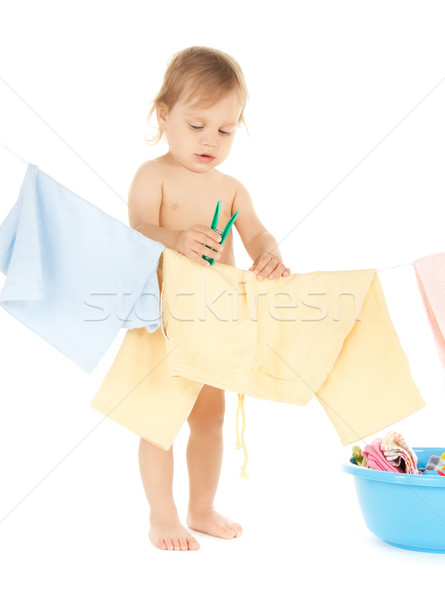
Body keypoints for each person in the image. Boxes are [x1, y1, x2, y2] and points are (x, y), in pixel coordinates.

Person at [127, 45, 291, 551]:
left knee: (210, 417)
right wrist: (173, 239)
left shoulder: (232, 189)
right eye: (197, 125)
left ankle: (202, 507)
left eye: (225, 130)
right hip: (164, 320)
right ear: (164, 114)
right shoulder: (152, 176)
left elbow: (258, 234)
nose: (210, 141)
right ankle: (162, 516)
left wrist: (268, 254)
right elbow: (135, 231)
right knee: (159, 419)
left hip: (216, 322)